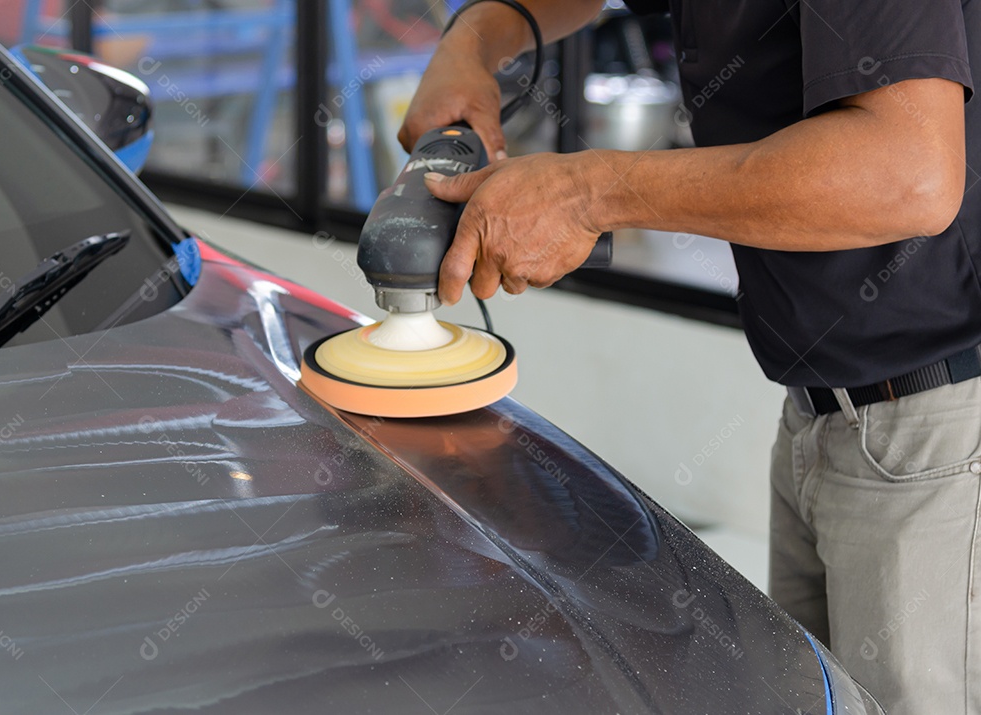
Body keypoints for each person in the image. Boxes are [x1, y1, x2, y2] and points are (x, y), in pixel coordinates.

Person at [398, 1, 981, 713]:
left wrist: (587, 193)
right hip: (819, 413)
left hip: (938, 430)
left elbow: (910, 172)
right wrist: (472, 43)